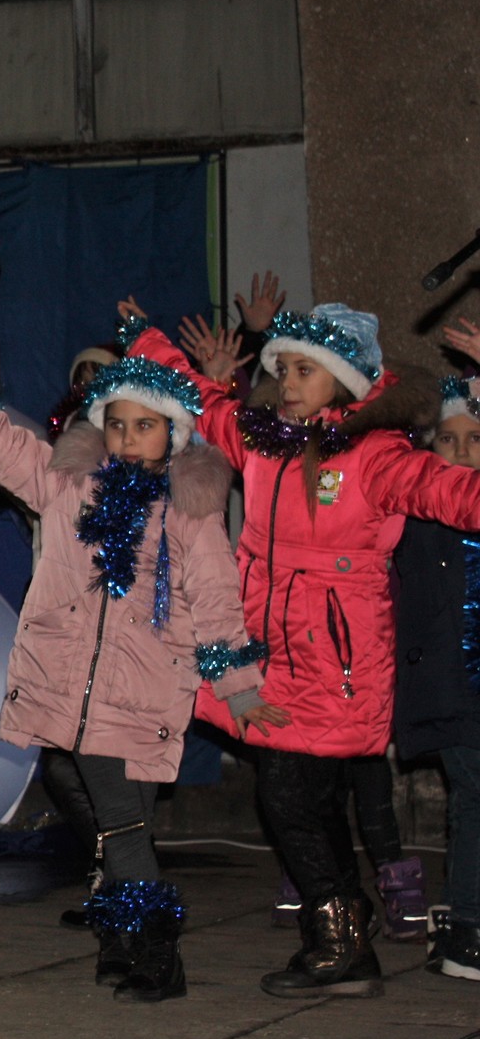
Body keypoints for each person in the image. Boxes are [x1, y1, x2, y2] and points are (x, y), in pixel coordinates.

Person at [130, 300, 480, 998]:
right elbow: (199, 400)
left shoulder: (379, 458)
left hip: (338, 664)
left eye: (305, 370)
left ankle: (341, 934)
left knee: (288, 797)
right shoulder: (262, 440)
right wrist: (145, 339)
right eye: (282, 367)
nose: (287, 381)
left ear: (349, 383)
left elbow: (457, 494)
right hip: (267, 656)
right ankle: (344, 937)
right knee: (303, 803)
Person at [0, 340, 266, 1002]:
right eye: (118, 423)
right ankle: (123, 945)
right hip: (72, 686)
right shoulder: (71, 487)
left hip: (143, 691)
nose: (128, 438)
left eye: (145, 426)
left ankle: (155, 953)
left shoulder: (188, 508)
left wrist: (239, 687)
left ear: (173, 434)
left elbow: (215, 597)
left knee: (124, 826)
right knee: (118, 824)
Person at [392, 375, 480, 980]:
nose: (463, 450)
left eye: (476, 437)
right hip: (451, 683)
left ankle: (459, 917)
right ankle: (465, 928)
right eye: (448, 439)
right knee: (475, 794)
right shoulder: (423, 517)